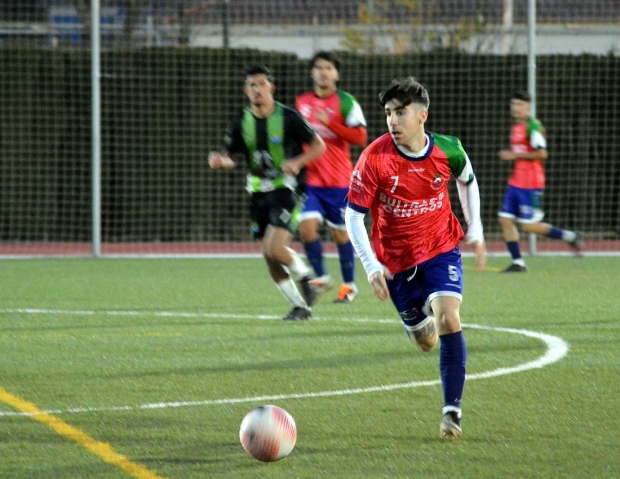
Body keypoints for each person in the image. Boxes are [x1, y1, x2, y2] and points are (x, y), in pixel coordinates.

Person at [345, 77, 486, 440]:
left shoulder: (449, 150)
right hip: (395, 263)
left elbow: (467, 180)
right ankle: (427, 326)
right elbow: (353, 215)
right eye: (389, 113)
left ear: (422, 115)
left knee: (449, 317)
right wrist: (371, 265)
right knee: (425, 341)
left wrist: (476, 230)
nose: (392, 120)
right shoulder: (374, 158)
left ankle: (451, 412)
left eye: (400, 112)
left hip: (441, 248)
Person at [209, 64, 326, 320]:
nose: (257, 89)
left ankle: (307, 277)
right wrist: (220, 160)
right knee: (268, 255)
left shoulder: (289, 117)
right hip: (258, 191)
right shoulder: (241, 122)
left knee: (275, 247)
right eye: (252, 85)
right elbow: (230, 157)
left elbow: (319, 145)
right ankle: (300, 306)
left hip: (287, 188)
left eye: (262, 84)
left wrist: (297, 162)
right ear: (245, 91)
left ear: (271, 88)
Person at [295, 51, 368, 303]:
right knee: (306, 229)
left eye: (328, 68)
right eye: (319, 67)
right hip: (312, 183)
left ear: (336, 74)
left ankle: (348, 287)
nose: (323, 72)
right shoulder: (301, 103)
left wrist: (331, 124)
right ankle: (322, 278)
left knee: (340, 236)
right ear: (312, 73)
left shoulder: (346, 102)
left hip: (339, 182)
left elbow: (360, 137)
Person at [498, 90, 584, 272]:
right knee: (505, 219)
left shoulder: (533, 126)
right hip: (515, 182)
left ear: (528, 107)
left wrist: (514, 154)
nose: (515, 108)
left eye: (520, 104)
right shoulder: (516, 127)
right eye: (513, 104)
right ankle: (518, 263)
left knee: (528, 226)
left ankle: (569, 236)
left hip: (531, 183)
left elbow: (542, 153)